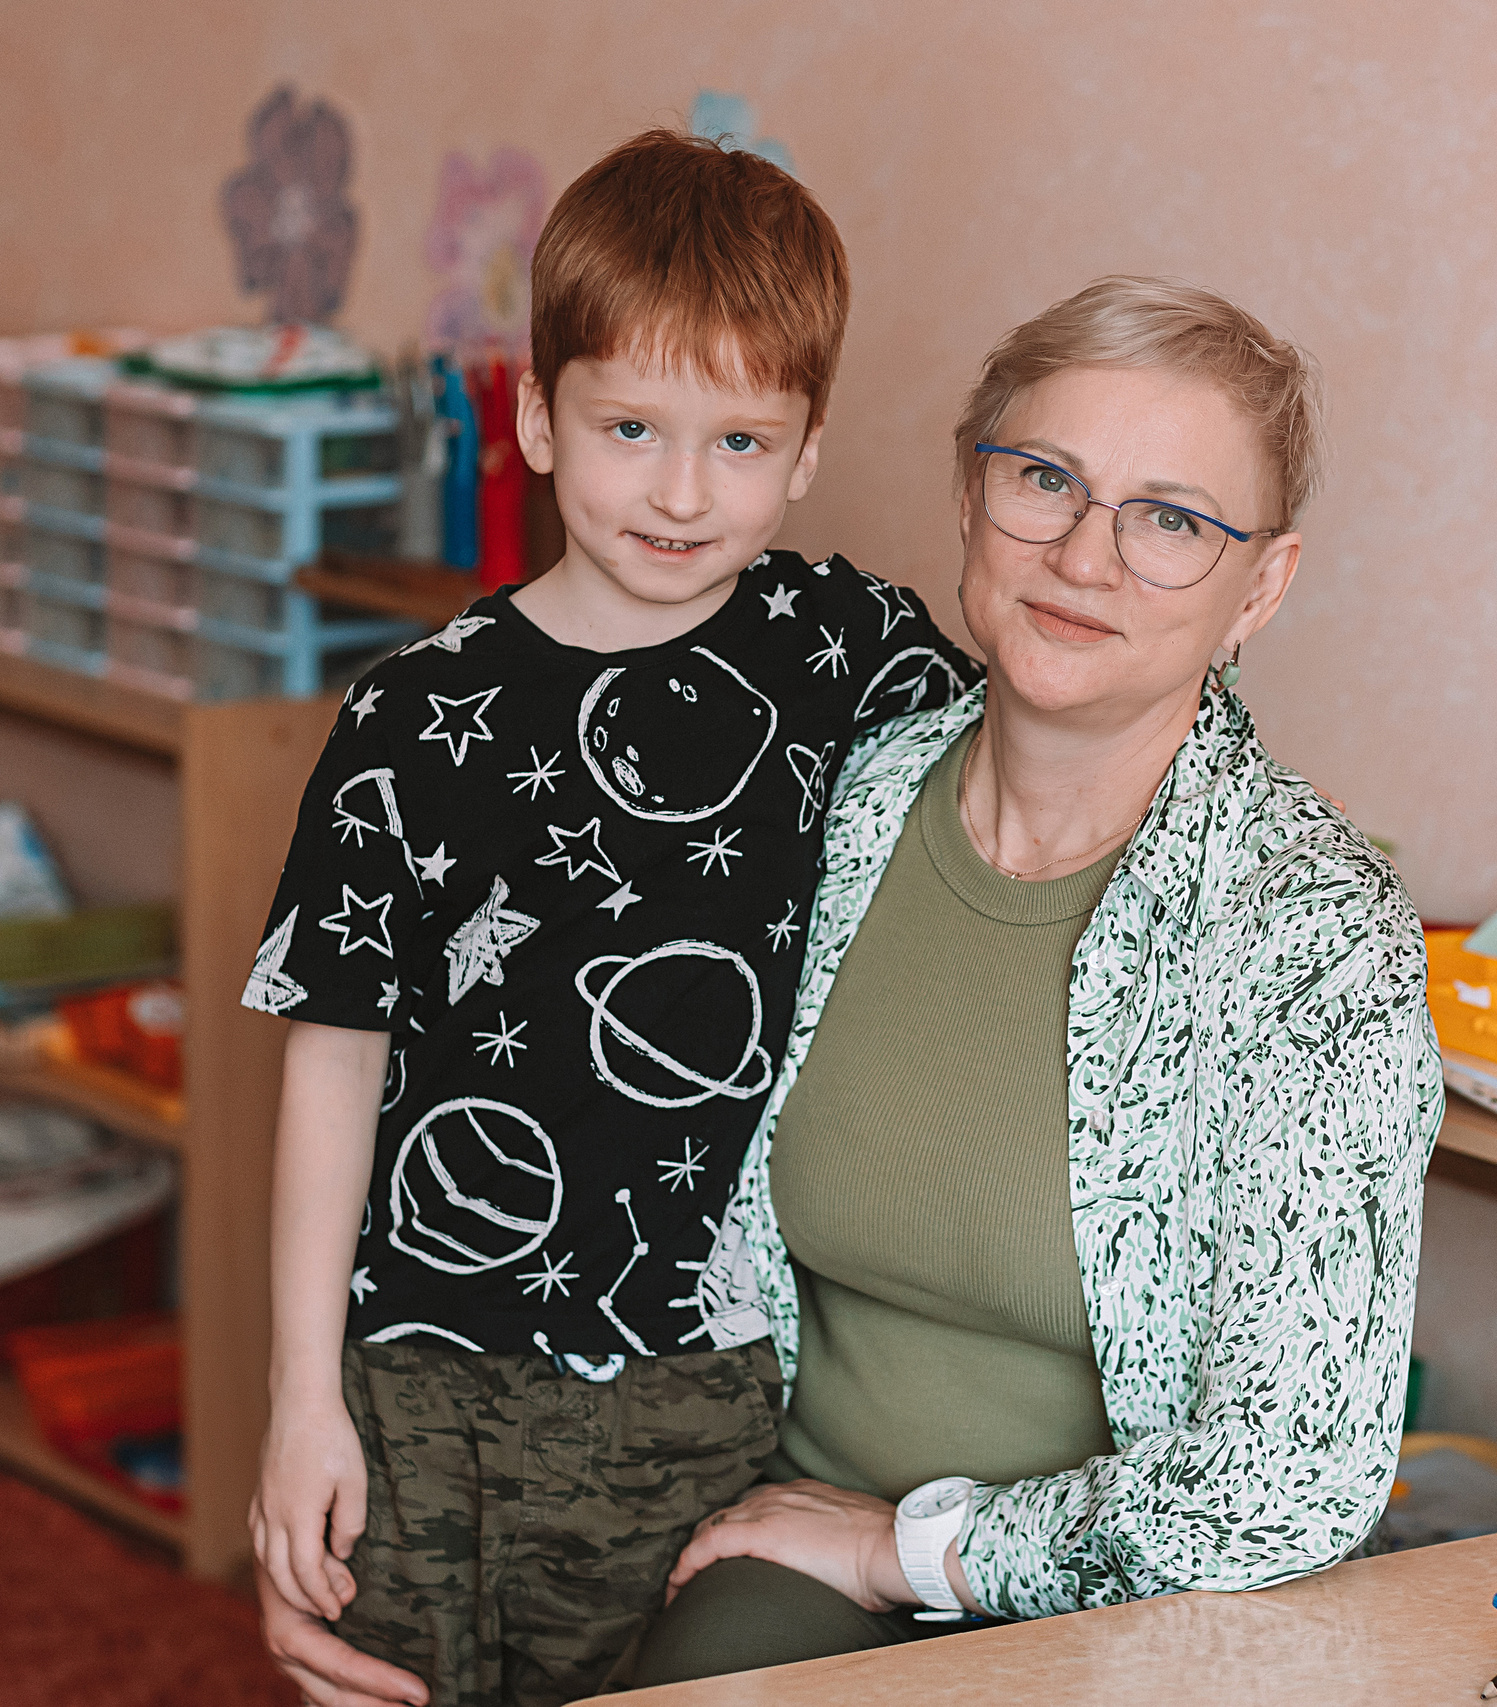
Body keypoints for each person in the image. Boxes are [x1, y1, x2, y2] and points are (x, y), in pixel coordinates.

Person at [241, 128, 975, 1707]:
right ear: (535, 421)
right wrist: (302, 1397)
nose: (680, 491)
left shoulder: (844, 650)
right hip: (413, 1368)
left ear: (807, 452)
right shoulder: (412, 718)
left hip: (691, 1379)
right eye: (632, 425)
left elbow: (1064, 737)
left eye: (738, 441)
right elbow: (329, 1069)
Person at [628, 275, 1444, 1682]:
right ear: (969, 493)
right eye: (1045, 480)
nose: (1086, 554)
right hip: (778, 1538)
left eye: (1173, 520)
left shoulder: (1315, 935)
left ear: (1265, 583)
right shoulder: (840, 802)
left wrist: (908, 1547)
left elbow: (1292, 1479)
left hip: (1138, 1615)